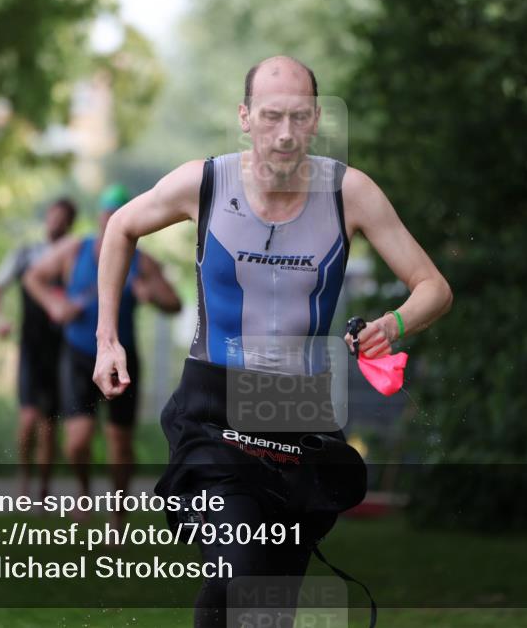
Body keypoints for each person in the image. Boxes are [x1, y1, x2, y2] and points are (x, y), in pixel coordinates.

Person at [91, 56, 453, 627]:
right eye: (271, 116)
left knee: (269, 606)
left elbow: (433, 286)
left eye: (300, 117)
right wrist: (107, 339)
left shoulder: (349, 193)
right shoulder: (204, 182)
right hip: (213, 407)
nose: (285, 133)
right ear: (245, 117)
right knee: (239, 571)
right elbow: (120, 227)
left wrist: (394, 324)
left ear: (315, 121)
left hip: (299, 411)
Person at [23, 183, 181, 524]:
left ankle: (118, 517)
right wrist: (55, 303)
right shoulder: (74, 251)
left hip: (123, 358)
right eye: (109, 213)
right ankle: (83, 494)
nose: (114, 219)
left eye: (121, 213)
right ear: (100, 216)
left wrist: (150, 293)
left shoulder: (142, 262)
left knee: (119, 443)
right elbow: (33, 277)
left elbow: (175, 302)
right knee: (76, 442)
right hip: (80, 355)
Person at [0, 197, 77, 500]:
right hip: (30, 348)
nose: (55, 222)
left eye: (62, 218)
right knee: (27, 420)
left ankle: (43, 488)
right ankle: (24, 478)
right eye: (52, 215)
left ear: (70, 223)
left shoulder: (74, 258)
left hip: (62, 350)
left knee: (48, 425)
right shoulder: (26, 255)